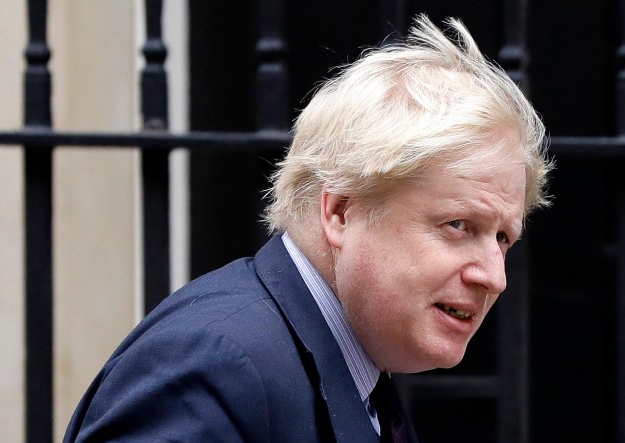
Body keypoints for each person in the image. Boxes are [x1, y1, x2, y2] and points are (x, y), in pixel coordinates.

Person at [63, 13, 553, 443]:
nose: (494, 277)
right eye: (458, 225)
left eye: (502, 238)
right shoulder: (214, 368)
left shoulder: (354, 371)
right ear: (340, 212)